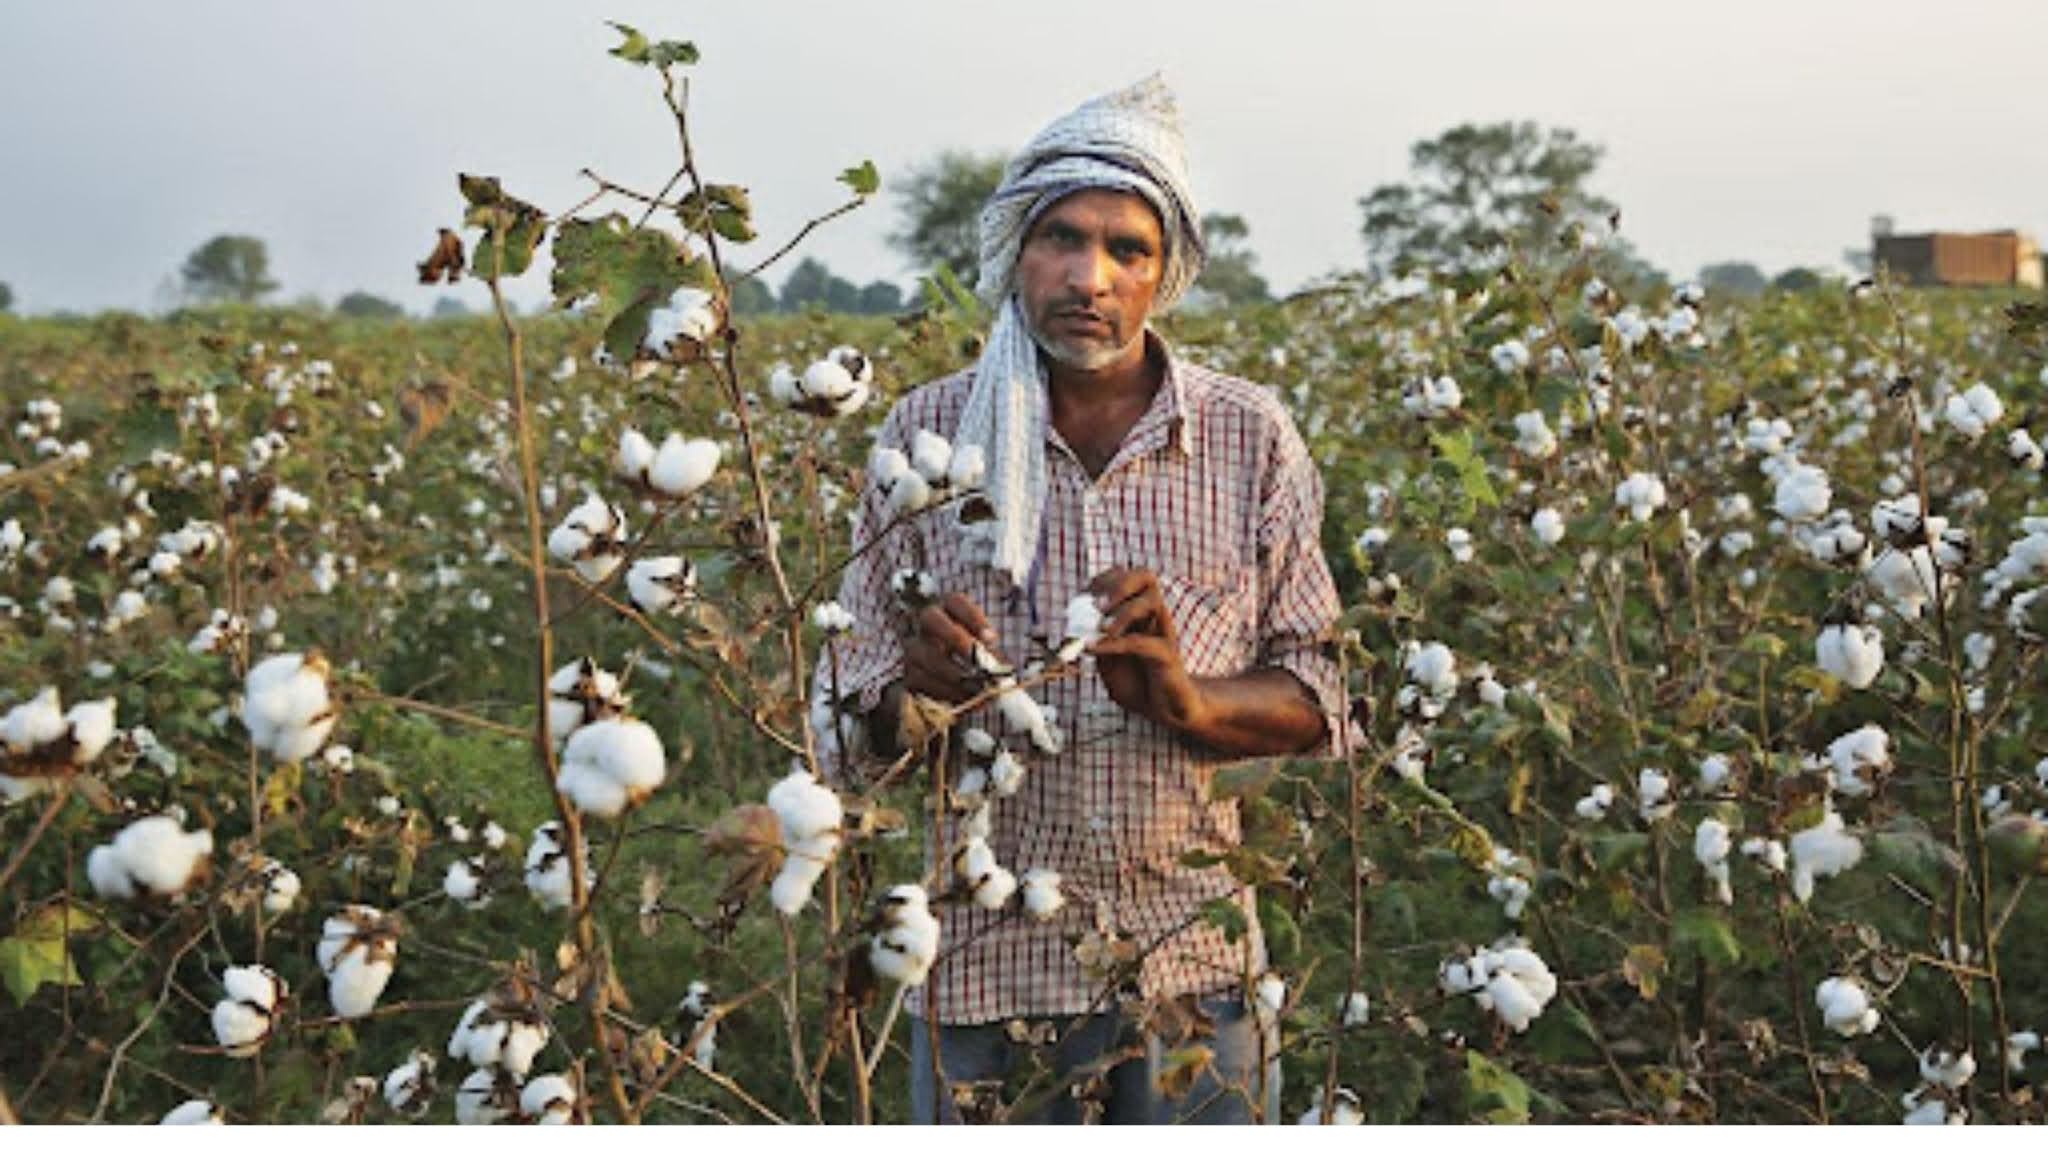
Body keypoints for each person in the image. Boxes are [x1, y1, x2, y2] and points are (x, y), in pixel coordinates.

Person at [812, 75, 1347, 1125]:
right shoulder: (927, 439)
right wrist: (914, 697)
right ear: (1017, 250)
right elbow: (846, 714)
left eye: (1125, 249)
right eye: (1059, 238)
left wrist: (1186, 703)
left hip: (1191, 966)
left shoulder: (1248, 439)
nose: (1086, 276)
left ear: (1166, 273)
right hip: (981, 973)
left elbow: (1318, 692)